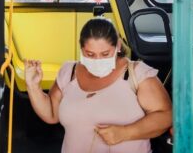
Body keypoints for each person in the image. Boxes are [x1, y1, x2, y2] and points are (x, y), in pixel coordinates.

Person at [24, 18, 172, 153]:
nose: (97, 60)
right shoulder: (69, 72)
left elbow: (166, 116)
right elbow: (51, 114)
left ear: (118, 46)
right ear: (81, 49)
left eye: (105, 54)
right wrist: (33, 86)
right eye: (90, 54)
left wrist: (125, 132)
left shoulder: (137, 74)